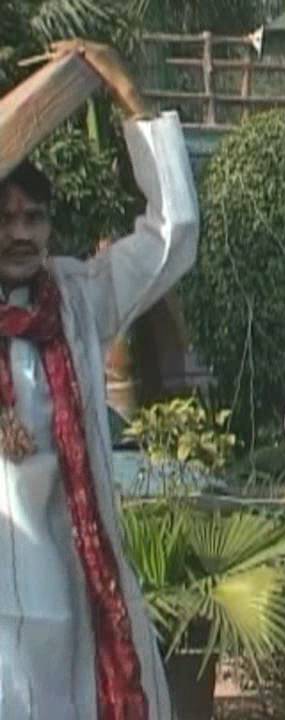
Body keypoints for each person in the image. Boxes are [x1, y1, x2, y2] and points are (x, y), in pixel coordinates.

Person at [0, 40, 198, 719]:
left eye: (33, 218)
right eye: (4, 219)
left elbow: (171, 235)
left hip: (79, 598)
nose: (20, 234)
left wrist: (131, 98)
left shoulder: (76, 300)